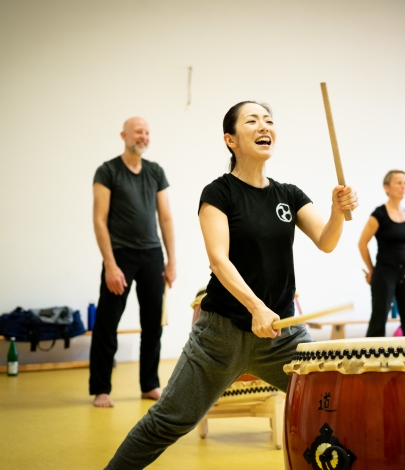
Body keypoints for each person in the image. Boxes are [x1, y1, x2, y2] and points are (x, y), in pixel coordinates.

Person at [105, 101, 358, 468]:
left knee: (334, 403)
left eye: (269, 121)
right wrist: (256, 307)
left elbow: (326, 241)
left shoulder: (288, 194)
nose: (263, 126)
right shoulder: (219, 193)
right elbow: (218, 260)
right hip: (220, 336)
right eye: (252, 121)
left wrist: (336, 211)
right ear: (231, 140)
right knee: (169, 422)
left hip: (282, 335)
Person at [89, 117, 176, 408]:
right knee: (106, 324)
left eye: (147, 132)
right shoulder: (108, 171)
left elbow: (165, 218)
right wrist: (111, 265)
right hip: (120, 256)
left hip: (152, 255)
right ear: (124, 135)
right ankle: (101, 389)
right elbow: (99, 221)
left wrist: (171, 260)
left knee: (153, 324)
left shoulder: (155, 172)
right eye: (138, 131)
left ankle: (149, 384)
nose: (143, 136)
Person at [358, 170, 405, 337]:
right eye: (399, 182)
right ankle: (371, 360)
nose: (403, 186)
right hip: (384, 272)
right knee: (378, 320)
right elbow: (362, 244)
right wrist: (372, 270)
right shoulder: (379, 215)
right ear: (387, 187)